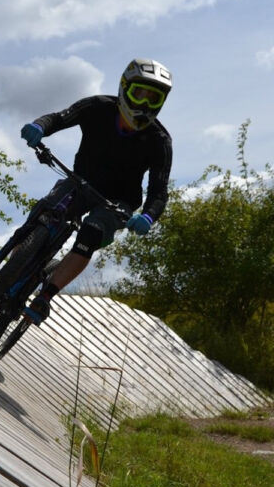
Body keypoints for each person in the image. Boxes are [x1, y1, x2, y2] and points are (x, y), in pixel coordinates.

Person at [18, 58, 173, 324]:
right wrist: (40, 126)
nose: (145, 105)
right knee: (44, 212)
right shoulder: (98, 107)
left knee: (92, 233)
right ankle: (10, 273)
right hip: (80, 182)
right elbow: (59, 117)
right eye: (139, 94)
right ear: (124, 88)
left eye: (154, 99)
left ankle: (45, 297)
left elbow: (158, 192)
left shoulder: (160, 142)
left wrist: (147, 217)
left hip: (118, 202)